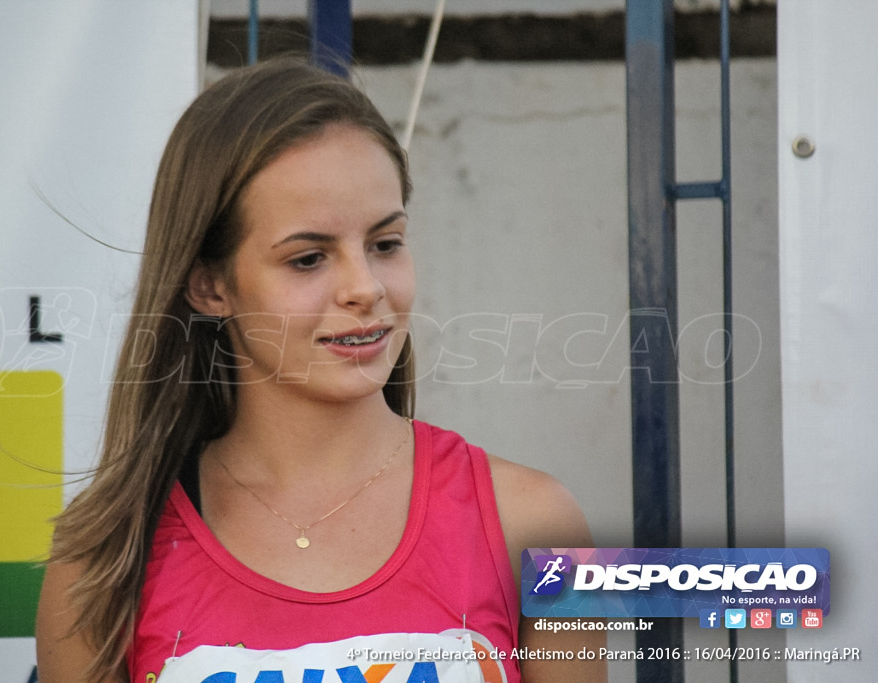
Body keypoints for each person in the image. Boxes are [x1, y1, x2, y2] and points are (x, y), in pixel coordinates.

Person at [36, 57, 606, 683]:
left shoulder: (532, 521)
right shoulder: (107, 557)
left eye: (385, 244)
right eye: (308, 259)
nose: (364, 288)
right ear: (208, 285)